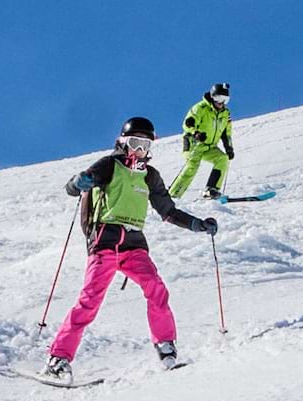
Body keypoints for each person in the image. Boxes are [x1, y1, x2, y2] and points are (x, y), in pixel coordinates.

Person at [44, 117, 218, 383]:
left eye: (145, 145)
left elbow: (168, 211)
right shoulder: (110, 165)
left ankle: (166, 347)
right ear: (123, 143)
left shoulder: (150, 175)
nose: (140, 150)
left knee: (156, 288)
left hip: (134, 244)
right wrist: (77, 183)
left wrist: (197, 225)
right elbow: (77, 185)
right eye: (135, 143)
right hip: (105, 241)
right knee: (90, 300)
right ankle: (58, 359)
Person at [168, 83, 234, 200]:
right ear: (213, 97)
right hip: (194, 144)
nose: (222, 102)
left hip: (210, 146)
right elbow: (188, 124)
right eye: (219, 98)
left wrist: (229, 148)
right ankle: (173, 195)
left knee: (222, 159)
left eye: (225, 100)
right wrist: (196, 133)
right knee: (192, 167)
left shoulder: (225, 114)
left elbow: (226, 133)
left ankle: (211, 190)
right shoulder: (200, 108)